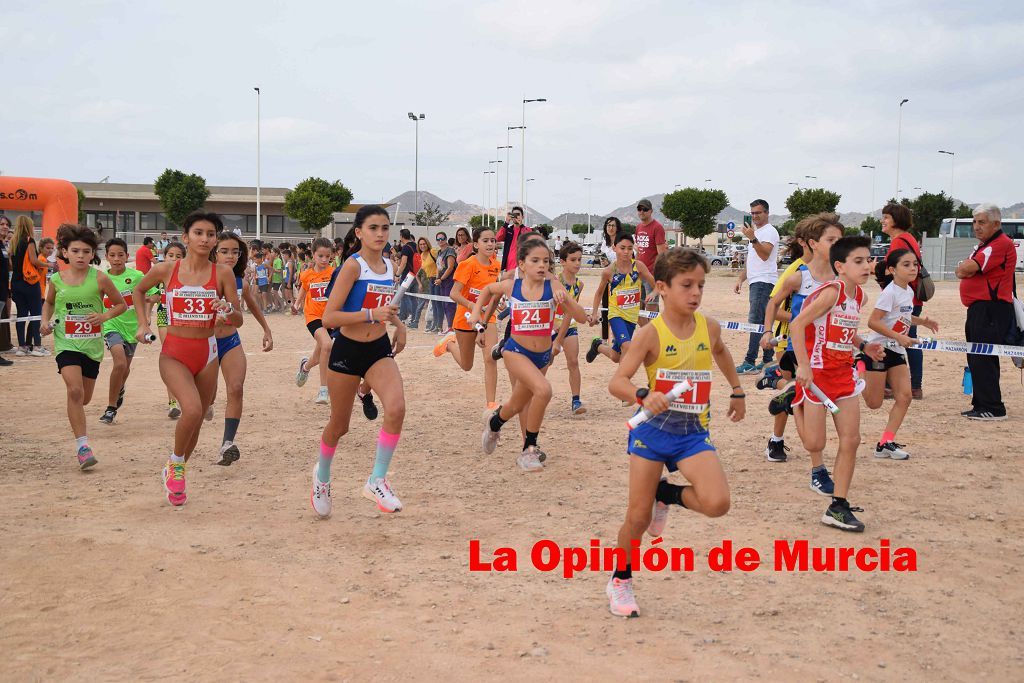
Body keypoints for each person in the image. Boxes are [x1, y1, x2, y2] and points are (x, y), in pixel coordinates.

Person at [605, 248, 745, 618]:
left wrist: (737, 389)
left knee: (717, 503)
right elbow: (617, 381)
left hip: (691, 432)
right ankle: (620, 580)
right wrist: (643, 395)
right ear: (663, 288)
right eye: (687, 285)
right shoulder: (650, 334)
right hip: (652, 434)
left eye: (700, 284)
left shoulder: (709, 326)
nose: (695, 293)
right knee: (636, 519)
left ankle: (666, 493)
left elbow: (721, 352)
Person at [132, 212, 243, 506]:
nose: (205, 238)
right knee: (192, 410)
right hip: (174, 353)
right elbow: (139, 290)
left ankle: (177, 468)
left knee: (196, 421)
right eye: (199, 233)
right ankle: (177, 464)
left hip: (207, 353)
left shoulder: (222, 274)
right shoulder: (166, 269)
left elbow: (239, 318)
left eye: (210, 234)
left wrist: (227, 310)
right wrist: (142, 324)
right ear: (185, 237)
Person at [312, 205, 408, 517]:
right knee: (339, 426)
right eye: (373, 228)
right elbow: (329, 318)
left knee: (396, 408)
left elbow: (386, 307)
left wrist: (400, 325)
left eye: (384, 228)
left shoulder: (389, 265)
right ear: (358, 233)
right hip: (347, 351)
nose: (380, 234)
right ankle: (322, 477)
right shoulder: (352, 267)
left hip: (378, 348)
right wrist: (370, 315)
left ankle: (377, 480)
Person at [790, 235, 884, 532]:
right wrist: (804, 365)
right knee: (814, 443)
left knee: (851, 440)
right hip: (817, 376)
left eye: (868, 260)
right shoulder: (832, 292)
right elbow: (797, 325)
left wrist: (864, 345)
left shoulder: (858, 297)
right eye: (859, 261)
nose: (867, 266)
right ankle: (790, 403)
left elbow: (845, 330)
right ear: (840, 266)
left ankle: (838, 505)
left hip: (843, 376)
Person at [477, 239, 586, 470]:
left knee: (517, 403)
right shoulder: (512, 286)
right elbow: (488, 290)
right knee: (543, 390)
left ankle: (495, 422)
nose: (541, 266)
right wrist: (477, 314)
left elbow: (581, 317)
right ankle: (529, 449)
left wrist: (566, 299)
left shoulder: (554, 287)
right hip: (515, 351)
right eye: (535, 260)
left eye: (546, 261)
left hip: (543, 356)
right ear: (522, 264)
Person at [40, 225, 127, 469]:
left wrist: (103, 317)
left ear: (92, 254)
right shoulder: (56, 279)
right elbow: (48, 304)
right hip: (66, 342)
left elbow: (120, 305)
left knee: (85, 398)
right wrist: (44, 321)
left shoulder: (99, 277)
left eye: (86, 251)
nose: (80, 255)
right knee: (75, 391)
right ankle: (82, 446)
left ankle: (79, 421)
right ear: (65, 253)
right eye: (75, 251)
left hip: (92, 345)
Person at [759, 215, 843, 464]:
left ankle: (778, 383)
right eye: (831, 239)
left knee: (803, 396)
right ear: (811, 243)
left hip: (828, 351)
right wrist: (767, 332)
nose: (838, 244)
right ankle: (777, 439)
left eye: (840, 239)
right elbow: (773, 302)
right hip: (798, 348)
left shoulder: (842, 275)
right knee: (800, 399)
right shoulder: (797, 273)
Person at [860, 248, 940, 458]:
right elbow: (873, 321)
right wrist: (898, 337)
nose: (913, 268)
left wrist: (922, 321)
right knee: (874, 403)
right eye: (906, 265)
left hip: (896, 351)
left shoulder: (908, 292)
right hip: (879, 351)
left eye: (915, 264)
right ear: (892, 270)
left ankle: (885, 443)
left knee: (904, 397)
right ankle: (857, 367)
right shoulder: (890, 292)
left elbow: (903, 315)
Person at [211, 232, 274, 465]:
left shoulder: (241, 282)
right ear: (213, 252)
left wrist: (266, 329)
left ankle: (227, 444)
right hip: (205, 343)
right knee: (205, 398)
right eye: (224, 251)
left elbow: (253, 305)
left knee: (236, 388)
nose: (231, 256)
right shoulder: (202, 279)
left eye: (235, 252)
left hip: (230, 341)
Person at [955, 203, 1018, 421]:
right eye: (974, 222)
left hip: (990, 309)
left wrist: (966, 268)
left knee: (983, 357)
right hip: (980, 309)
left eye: (982, 222)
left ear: (996, 224)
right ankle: (982, 403)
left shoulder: (999, 244)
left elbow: (965, 269)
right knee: (977, 356)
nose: (976, 227)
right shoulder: (984, 245)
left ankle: (993, 407)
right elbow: (964, 269)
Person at [433, 227, 501, 409]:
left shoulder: (496, 265)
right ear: (476, 244)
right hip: (466, 318)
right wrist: (473, 307)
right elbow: (454, 294)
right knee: (466, 365)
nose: (490, 244)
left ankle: (491, 404)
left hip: (488, 316)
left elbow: (493, 291)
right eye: (485, 241)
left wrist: (497, 302)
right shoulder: (467, 264)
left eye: (493, 240)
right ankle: (449, 344)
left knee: (490, 358)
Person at [98, 238, 149, 424]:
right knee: (119, 363)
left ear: (128, 256)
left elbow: (150, 294)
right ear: (106, 257)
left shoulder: (137, 276)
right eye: (112, 255)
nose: (117, 259)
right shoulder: (102, 278)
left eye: (120, 255)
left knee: (124, 368)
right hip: (112, 325)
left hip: (132, 329)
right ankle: (111, 408)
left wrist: (148, 311)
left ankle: (119, 388)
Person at [586, 233, 655, 366]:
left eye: (630, 248)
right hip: (616, 315)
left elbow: (655, 285)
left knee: (616, 356)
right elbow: (599, 293)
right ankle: (622, 383)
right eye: (622, 248)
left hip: (631, 317)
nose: (626, 251)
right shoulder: (609, 271)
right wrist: (594, 314)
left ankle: (597, 346)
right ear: (614, 248)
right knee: (627, 347)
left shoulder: (639, 266)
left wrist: (656, 292)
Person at [881, 203, 927, 399]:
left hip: (902, 297)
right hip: (909, 296)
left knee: (899, 338)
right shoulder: (908, 239)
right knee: (904, 337)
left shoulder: (899, 241)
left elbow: (891, 272)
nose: (883, 221)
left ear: (896, 220)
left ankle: (909, 385)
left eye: (886, 217)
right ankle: (913, 385)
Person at [734, 199, 780, 373]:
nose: (755, 216)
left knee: (756, 322)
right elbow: (752, 261)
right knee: (762, 322)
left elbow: (764, 255)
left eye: (758, 212)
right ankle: (767, 360)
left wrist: (753, 238)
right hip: (756, 281)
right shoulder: (757, 233)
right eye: (752, 213)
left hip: (764, 282)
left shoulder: (769, 232)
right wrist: (740, 279)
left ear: (766, 213)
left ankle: (750, 361)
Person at [294, 238, 336, 405]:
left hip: (330, 318)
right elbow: (304, 290)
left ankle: (305, 366)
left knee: (319, 356)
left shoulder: (334, 273)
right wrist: (297, 304)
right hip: (313, 317)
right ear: (313, 255)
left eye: (327, 256)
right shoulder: (307, 275)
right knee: (327, 345)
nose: (324, 260)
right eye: (320, 256)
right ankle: (323, 390)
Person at [551, 241, 587, 415]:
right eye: (573, 259)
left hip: (568, 325)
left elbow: (571, 312)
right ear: (563, 261)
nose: (578, 263)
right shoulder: (554, 281)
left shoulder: (579, 285)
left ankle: (576, 400)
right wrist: (553, 329)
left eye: (580, 259)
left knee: (573, 361)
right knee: (546, 361)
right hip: (550, 326)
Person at [10, 216, 48, 356]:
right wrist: (48, 264)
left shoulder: (13, 242)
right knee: (36, 314)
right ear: (28, 226)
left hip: (15, 282)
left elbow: (11, 264)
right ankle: (37, 346)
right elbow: (34, 260)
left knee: (21, 315)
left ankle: (22, 347)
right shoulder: (29, 240)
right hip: (30, 282)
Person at [633, 199, 667, 322]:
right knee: (638, 308)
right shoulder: (638, 227)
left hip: (652, 274)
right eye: (639, 209)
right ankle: (645, 336)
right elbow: (639, 252)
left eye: (645, 209)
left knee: (651, 306)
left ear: (651, 211)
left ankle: (655, 335)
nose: (642, 212)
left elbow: (662, 255)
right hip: (639, 274)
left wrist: (658, 276)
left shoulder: (657, 228)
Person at [432, 231, 456, 333]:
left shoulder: (450, 251)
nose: (440, 240)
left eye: (442, 238)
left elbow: (450, 267)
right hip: (441, 281)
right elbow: (438, 267)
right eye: (438, 239)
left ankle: (451, 326)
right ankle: (449, 326)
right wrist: (438, 278)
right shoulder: (439, 252)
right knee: (444, 303)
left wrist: (441, 279)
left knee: (449, 304)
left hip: (449, 280)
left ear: (446, 239)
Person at [410, 236, 436, 330]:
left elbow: (439, 264)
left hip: (434, 282)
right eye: (420, 244)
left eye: (424, 244)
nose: (422, 246)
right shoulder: (421, 255)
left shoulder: (433, 252)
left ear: (427, 243)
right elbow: (418, 273)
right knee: (422, 305)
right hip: (425, 284)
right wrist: (420, 284)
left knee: (433, 305)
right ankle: (416, 322)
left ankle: (431, 324)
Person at [495, 207, 531, 273]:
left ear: (522, 217)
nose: (516, 217)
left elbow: (529, 239)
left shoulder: (527, 229)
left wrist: (520, 225)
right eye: (514, 215)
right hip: (509, 266)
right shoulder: (508, 230)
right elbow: (497, 238)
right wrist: (506, 222)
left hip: (522, 266)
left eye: (518, 214)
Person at [396, 229, 417, 323]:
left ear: (401, 237)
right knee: (412, 297)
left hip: (407, 275)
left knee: (404, 296)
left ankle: (408, 316)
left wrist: (397, 274)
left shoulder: (405, 248)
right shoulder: (415, 245)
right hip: (415, 275)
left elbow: (403, 263)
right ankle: (408, 317)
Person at [0, 216, 12, 361]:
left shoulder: (3, 245)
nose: (5, 226)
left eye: (7, 224)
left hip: (3, 290)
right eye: (1, 224)